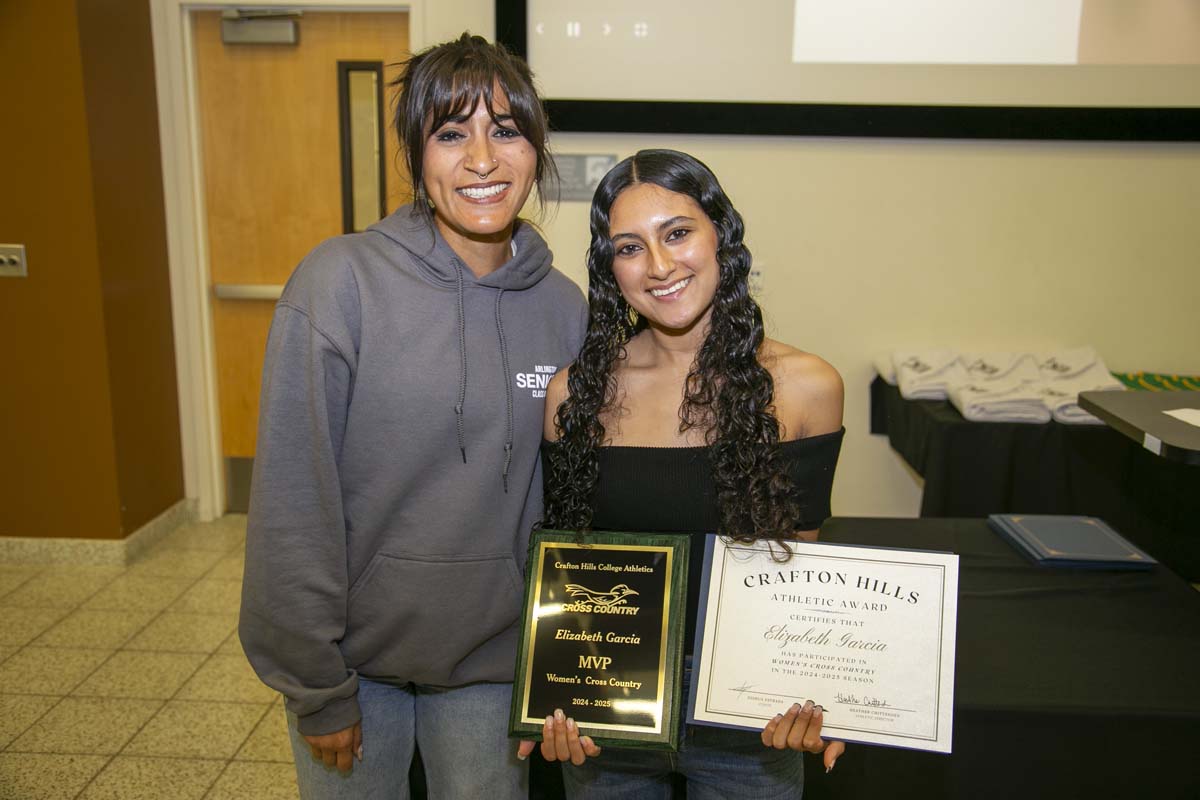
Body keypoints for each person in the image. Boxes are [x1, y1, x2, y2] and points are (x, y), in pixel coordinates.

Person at [239, 34, 587, 799]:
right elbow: (295, 502)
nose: (482, 160)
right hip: (354, 668)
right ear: (414, 153)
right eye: (451, 133)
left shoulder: (564, 308)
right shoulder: (339, 284)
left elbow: (576, 506)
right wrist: (315, 685)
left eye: (505, 131)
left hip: (494, 664)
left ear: (535, 148)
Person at [530, 149, 846, 798]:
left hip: (752, 720)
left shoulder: (807, 387)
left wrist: (826, 691)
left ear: (721, 237)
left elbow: (803, 568)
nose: (660, 265)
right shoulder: (574, 396)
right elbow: (569, 571)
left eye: (677, 233)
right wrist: (553, 694)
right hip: (607, 712)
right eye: (629, 247)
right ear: (608, 267)